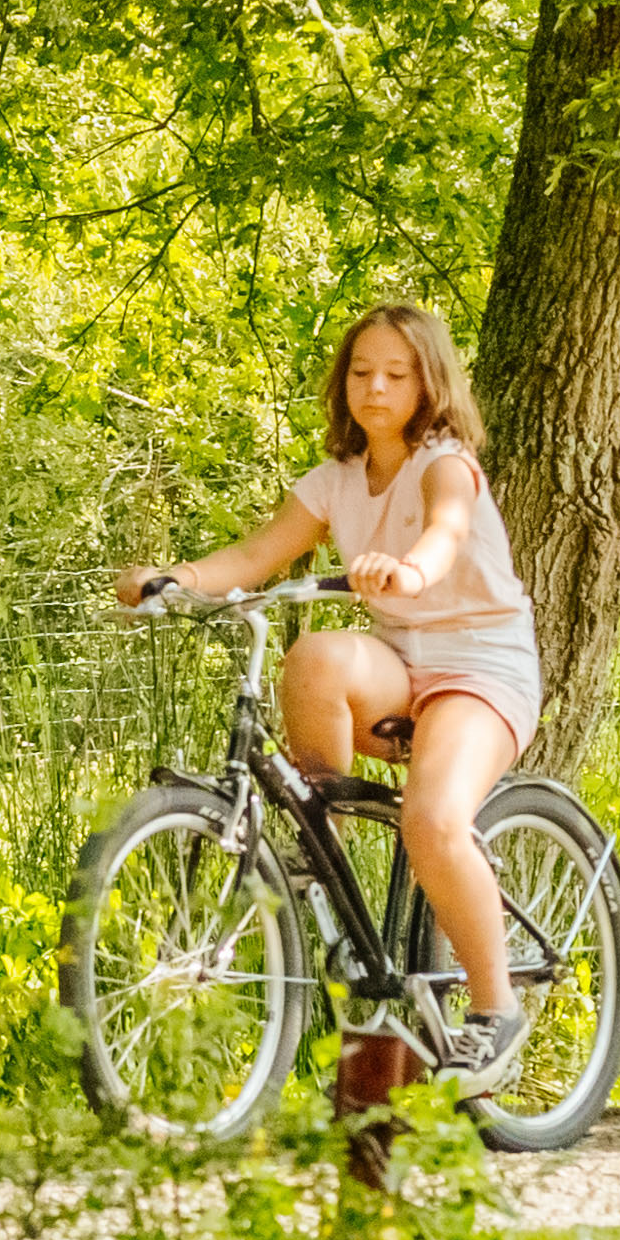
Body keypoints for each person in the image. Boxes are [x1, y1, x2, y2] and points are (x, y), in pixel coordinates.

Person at [123, 302, 540, 1072]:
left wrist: (409, 567)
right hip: (400, 661)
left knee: (432, 819)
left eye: (395, 374)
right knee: (314, 652)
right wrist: (173, 579)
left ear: (429, 384)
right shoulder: (335, 480)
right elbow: (253, 556)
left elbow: (445, 530)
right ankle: (321, 837)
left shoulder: (444, 462)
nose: (374, 388)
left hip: (480, 666)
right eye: (360, 372)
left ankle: (496, 1009)